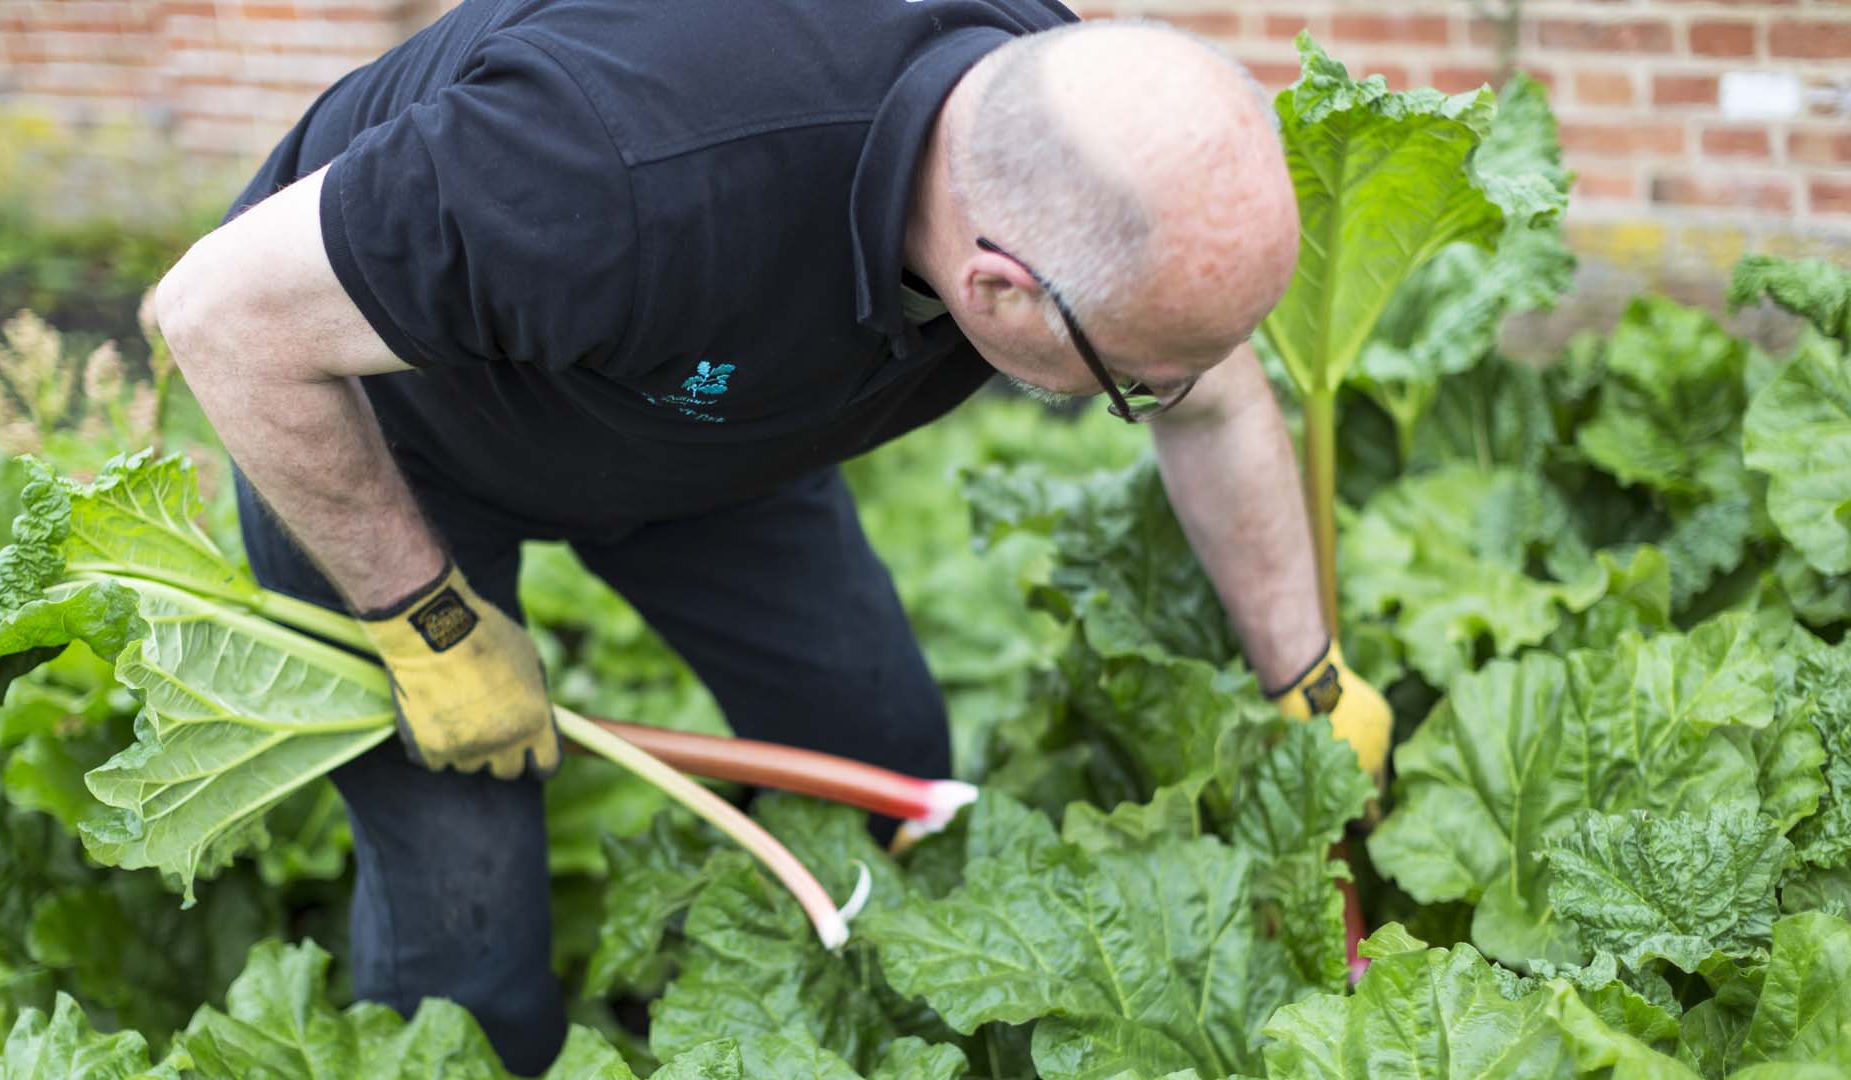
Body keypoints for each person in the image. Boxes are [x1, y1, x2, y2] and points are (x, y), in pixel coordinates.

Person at [151, 0, 1393, 1072]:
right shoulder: (597, 167)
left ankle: (734, 999)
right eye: (1133, 385)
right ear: (996, 292)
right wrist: (426, 621)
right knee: (467, 936)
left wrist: (1309, 674)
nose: (1166, 394)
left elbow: (1216, 390)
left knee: (876, 758)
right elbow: (217, 313)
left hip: (709, 415)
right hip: (395, 450)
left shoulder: (1067, 121)